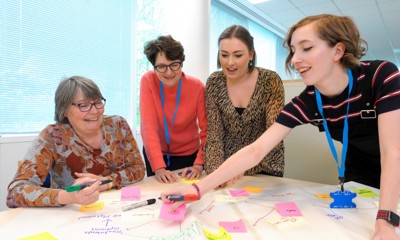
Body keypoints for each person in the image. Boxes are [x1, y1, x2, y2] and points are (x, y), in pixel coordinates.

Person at [161, 14, 400, 239]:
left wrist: (385, 218)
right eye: (294, 50)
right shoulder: (308, 100)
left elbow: (393, 152)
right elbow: (256, 149)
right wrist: (198, 189)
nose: (295, 59)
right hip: (357, 166)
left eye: (306, 48)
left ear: (338, 50)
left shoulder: (381, 75)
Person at [7, 76, 145, 207]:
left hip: (116, 207)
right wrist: (68, 197)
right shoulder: (52, 137)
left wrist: (106, 182)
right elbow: (15, 192)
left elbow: (138, 168)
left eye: (98, 102)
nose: (95, 111)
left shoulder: (117, 125)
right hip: (70, 212)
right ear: (65, 110)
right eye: (83, 105)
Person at [204, 25, 285, 186]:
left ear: (250, 55)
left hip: (265, 165)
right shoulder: (214, 82)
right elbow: (214, 134)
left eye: (238, 55)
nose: (230, 62)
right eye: (224, 55)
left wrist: (248, 162)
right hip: (228, 168)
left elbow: (274, 132)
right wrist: (215, 175)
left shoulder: (270, 80)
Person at [140, 35, 207, 183]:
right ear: (154, 66)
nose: (169, 72)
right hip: (156, 153)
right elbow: (148, 127)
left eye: (174, 65)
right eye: (162, 66)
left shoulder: (197, 87)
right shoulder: (148, 81)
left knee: (188, 198)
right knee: (157, 197)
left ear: (181, 63)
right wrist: (158, 167)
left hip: (188, 155)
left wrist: (199, 164)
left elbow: (207, 131)